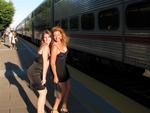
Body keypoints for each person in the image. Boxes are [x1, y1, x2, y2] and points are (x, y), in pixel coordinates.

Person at [27, 30, 52, 113]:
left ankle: (41, 110)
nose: (46, 39)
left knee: (44, 92)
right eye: (45, 37)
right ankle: (40, 111)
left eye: (48, 37)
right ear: (43, 38)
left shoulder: (45, 45)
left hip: (36, 71)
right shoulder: (45, 47)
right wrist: (44, 77)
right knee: (43, 92)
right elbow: (45, 63)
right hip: (34, 72)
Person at [50, 26, 71, 113]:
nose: (56, 37)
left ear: (62, 35)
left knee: (68, 88)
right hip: (58, 71)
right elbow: (52, 63)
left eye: (58, 34)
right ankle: (54, 109)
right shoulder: (54, 47)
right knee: (60, 92)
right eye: (54, 35)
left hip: (64, 70)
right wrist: (55, 76)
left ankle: (64, 105)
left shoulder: (63, 44)